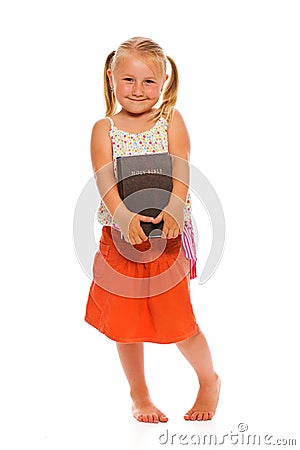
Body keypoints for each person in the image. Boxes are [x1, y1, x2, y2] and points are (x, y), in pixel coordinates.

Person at [85, 37, 220, 423]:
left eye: (148, 82)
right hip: (120, 240)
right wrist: (123, 217)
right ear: (112, 79)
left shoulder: (170, 120)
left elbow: (181, 166)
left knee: (178, 321)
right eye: (128, 80)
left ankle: (208, 380)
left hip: (166, 240)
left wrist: (176, 205)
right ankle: (140, 396)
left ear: (163, 82)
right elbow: (104, 179)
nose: (138, 90)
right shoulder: (103, 128)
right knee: (126, 325)